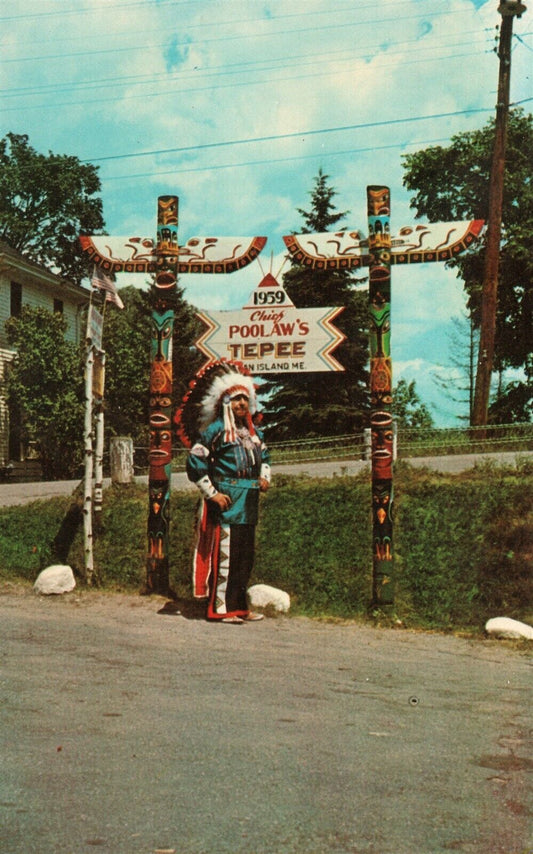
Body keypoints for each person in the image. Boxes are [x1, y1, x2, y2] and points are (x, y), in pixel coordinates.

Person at [175, 360, 271, 623]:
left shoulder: (252, 434)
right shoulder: (215, 431)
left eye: (245, 400)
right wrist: (212, 493)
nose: (241, 404)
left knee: (244, 556)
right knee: (226, 556)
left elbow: (266, 456)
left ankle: (240, 608)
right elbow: (195, 461)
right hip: (227, 503)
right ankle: (220, 608)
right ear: (225, 403)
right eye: (236, 400)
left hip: (249, 503)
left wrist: (264, 477)